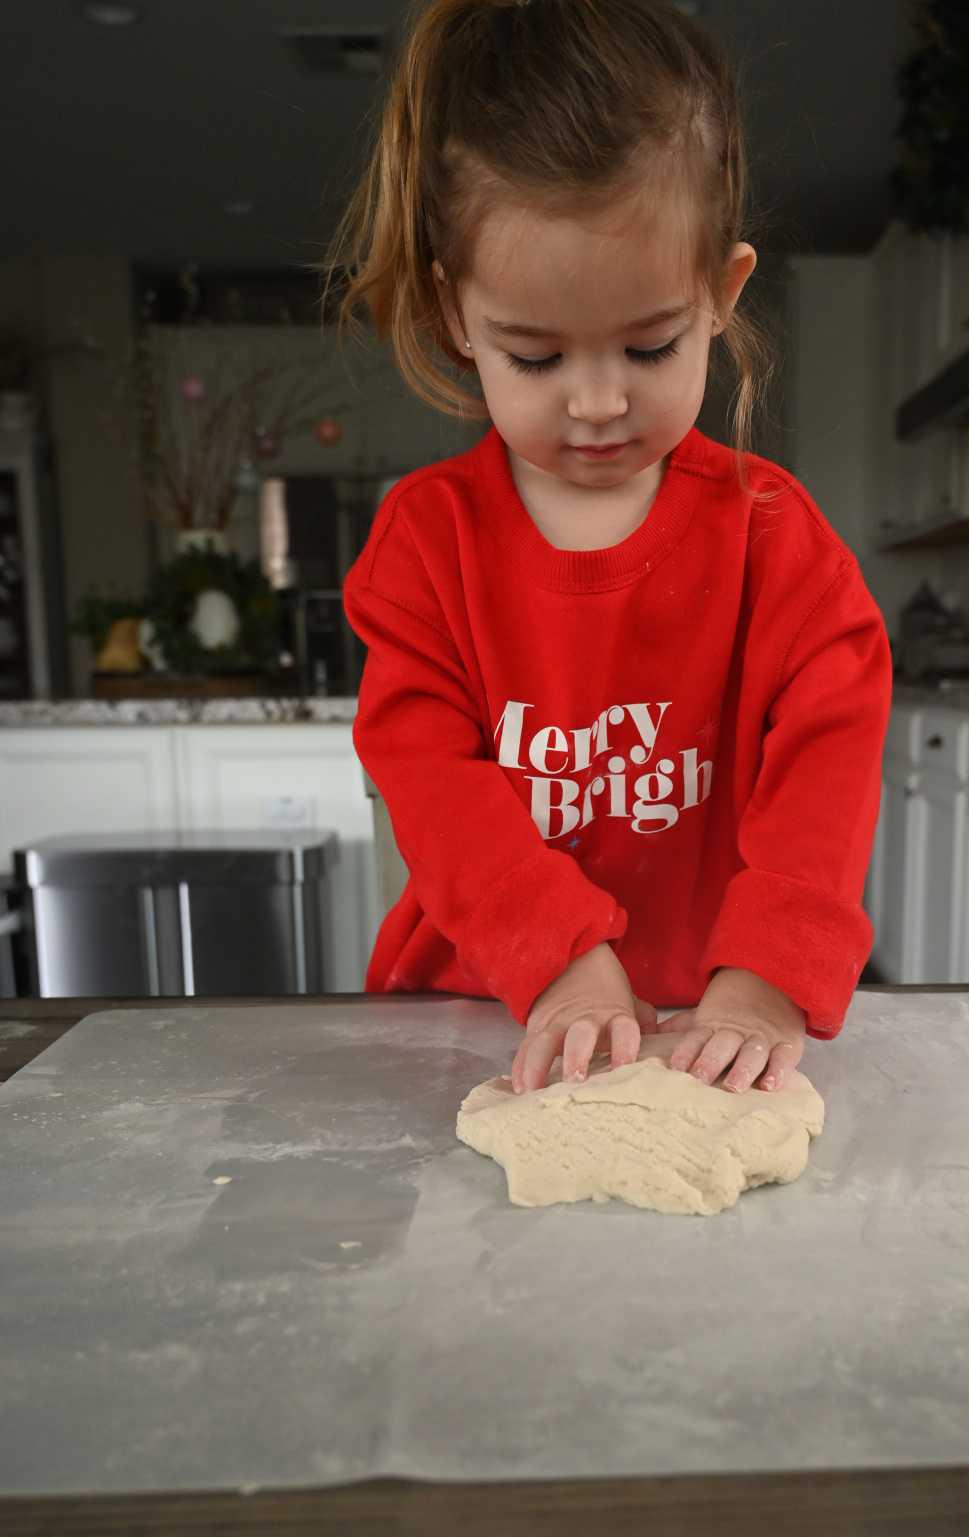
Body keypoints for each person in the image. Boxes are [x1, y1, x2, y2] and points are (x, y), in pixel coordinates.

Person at [326, 0, 891, 1097]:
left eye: (649, 344)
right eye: (533, 357)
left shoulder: (771, 535)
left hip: (702, 1022)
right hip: (479, 1016)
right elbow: (430, 781)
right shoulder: (426, 544)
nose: (595, 401)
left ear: (722, 295)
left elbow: (832, 744)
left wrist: (769, 972)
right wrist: (559, 963)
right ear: (456, 314)